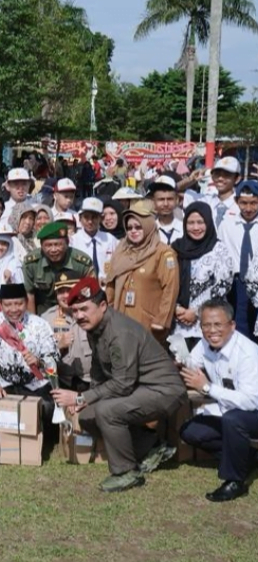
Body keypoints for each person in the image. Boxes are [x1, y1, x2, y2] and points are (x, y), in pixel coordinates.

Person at [53, 278, 186, 493]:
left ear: (103, 306)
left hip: (163, 391)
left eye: (84, 309)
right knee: (87, 416)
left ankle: (126, 472)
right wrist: (88, 399)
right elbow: (98, 369)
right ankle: (151, 447)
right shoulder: (95, 327)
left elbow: (122, 384)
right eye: (75, 311)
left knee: (107, 411)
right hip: (139, 387)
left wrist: (80, 397)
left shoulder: (119, 332)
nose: (78, 316)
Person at [178, 299, 258, 502]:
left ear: (232, 325)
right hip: (230, 411)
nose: (212, 330)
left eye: (217, 324)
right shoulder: (205, 343)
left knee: (233, 420)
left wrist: (207, 388)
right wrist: (180, 364)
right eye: (206, 325)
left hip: (253, 411)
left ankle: (235, 481)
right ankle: (247, 457)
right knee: (190, 431)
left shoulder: (248, 354)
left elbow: (251, 401)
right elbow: (192, 364)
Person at [0, 283, 59, 436]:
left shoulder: (39, 324)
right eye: (8, 305)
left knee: (48, 407)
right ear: (0, 304)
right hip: (5, 383)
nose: (14, 309)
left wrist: (39, 361)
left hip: (35, 383)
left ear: (26, 302)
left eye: (19, 304)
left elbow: (54, 359)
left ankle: (43, 439)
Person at [104, 203, 179, 346]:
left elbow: (170, 288)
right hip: (120, 321)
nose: (133, 231)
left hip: (148, 324)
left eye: (138, 227)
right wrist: (108, 311)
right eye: (129, 228)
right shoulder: (122, 251)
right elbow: (111, 284)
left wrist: (162, 320)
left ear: (148, 226)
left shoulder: (163, 253)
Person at [172, 203, 234, 350]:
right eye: (191, 223)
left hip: (209, 323)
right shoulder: (176, 248)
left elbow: (223, 285)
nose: (196, 227)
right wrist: (176, 308)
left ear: (209, 222)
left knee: (206, 362)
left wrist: (196, 311)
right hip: (178, 322)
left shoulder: (219, 250)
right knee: (180, 361)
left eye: (200, 222)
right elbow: (166, 281)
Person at [23, 221, 94, 315]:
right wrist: (33, 321)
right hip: (44, 307)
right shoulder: (32, 263)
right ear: (41, 246)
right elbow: (29, 294)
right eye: (48, 245)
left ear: (67, 243)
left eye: (58, 244)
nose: (53, 250)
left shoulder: (81, 263)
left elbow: (90, 293)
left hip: (74, 305)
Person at [219, 179, 258, 341]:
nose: (248, 208)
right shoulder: (227, 225)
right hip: (236, 284)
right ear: (236, 201)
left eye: (254, 203)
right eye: (243, 203)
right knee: (239, 327)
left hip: (257, 283)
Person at [41, 272, 92, 391]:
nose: (65, 296)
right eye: (60, 292)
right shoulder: (46, 319)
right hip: (60, 382)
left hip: (90, 381)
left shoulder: (90, 313)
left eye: (69, 290)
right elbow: (40, 358)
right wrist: (58, 346)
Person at [71, 197, 117, 281]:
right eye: (86, 217)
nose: (90, 221)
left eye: (94, 217)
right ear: (80, 218)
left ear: (101, 219)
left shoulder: (110, 240)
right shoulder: (73, 241)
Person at [149, 176, 183, 244]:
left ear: (177, 200)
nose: (166, 204)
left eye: (170, 199)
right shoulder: (149, 231)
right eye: (161, 199)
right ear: (153, 202)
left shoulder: (185, 229)